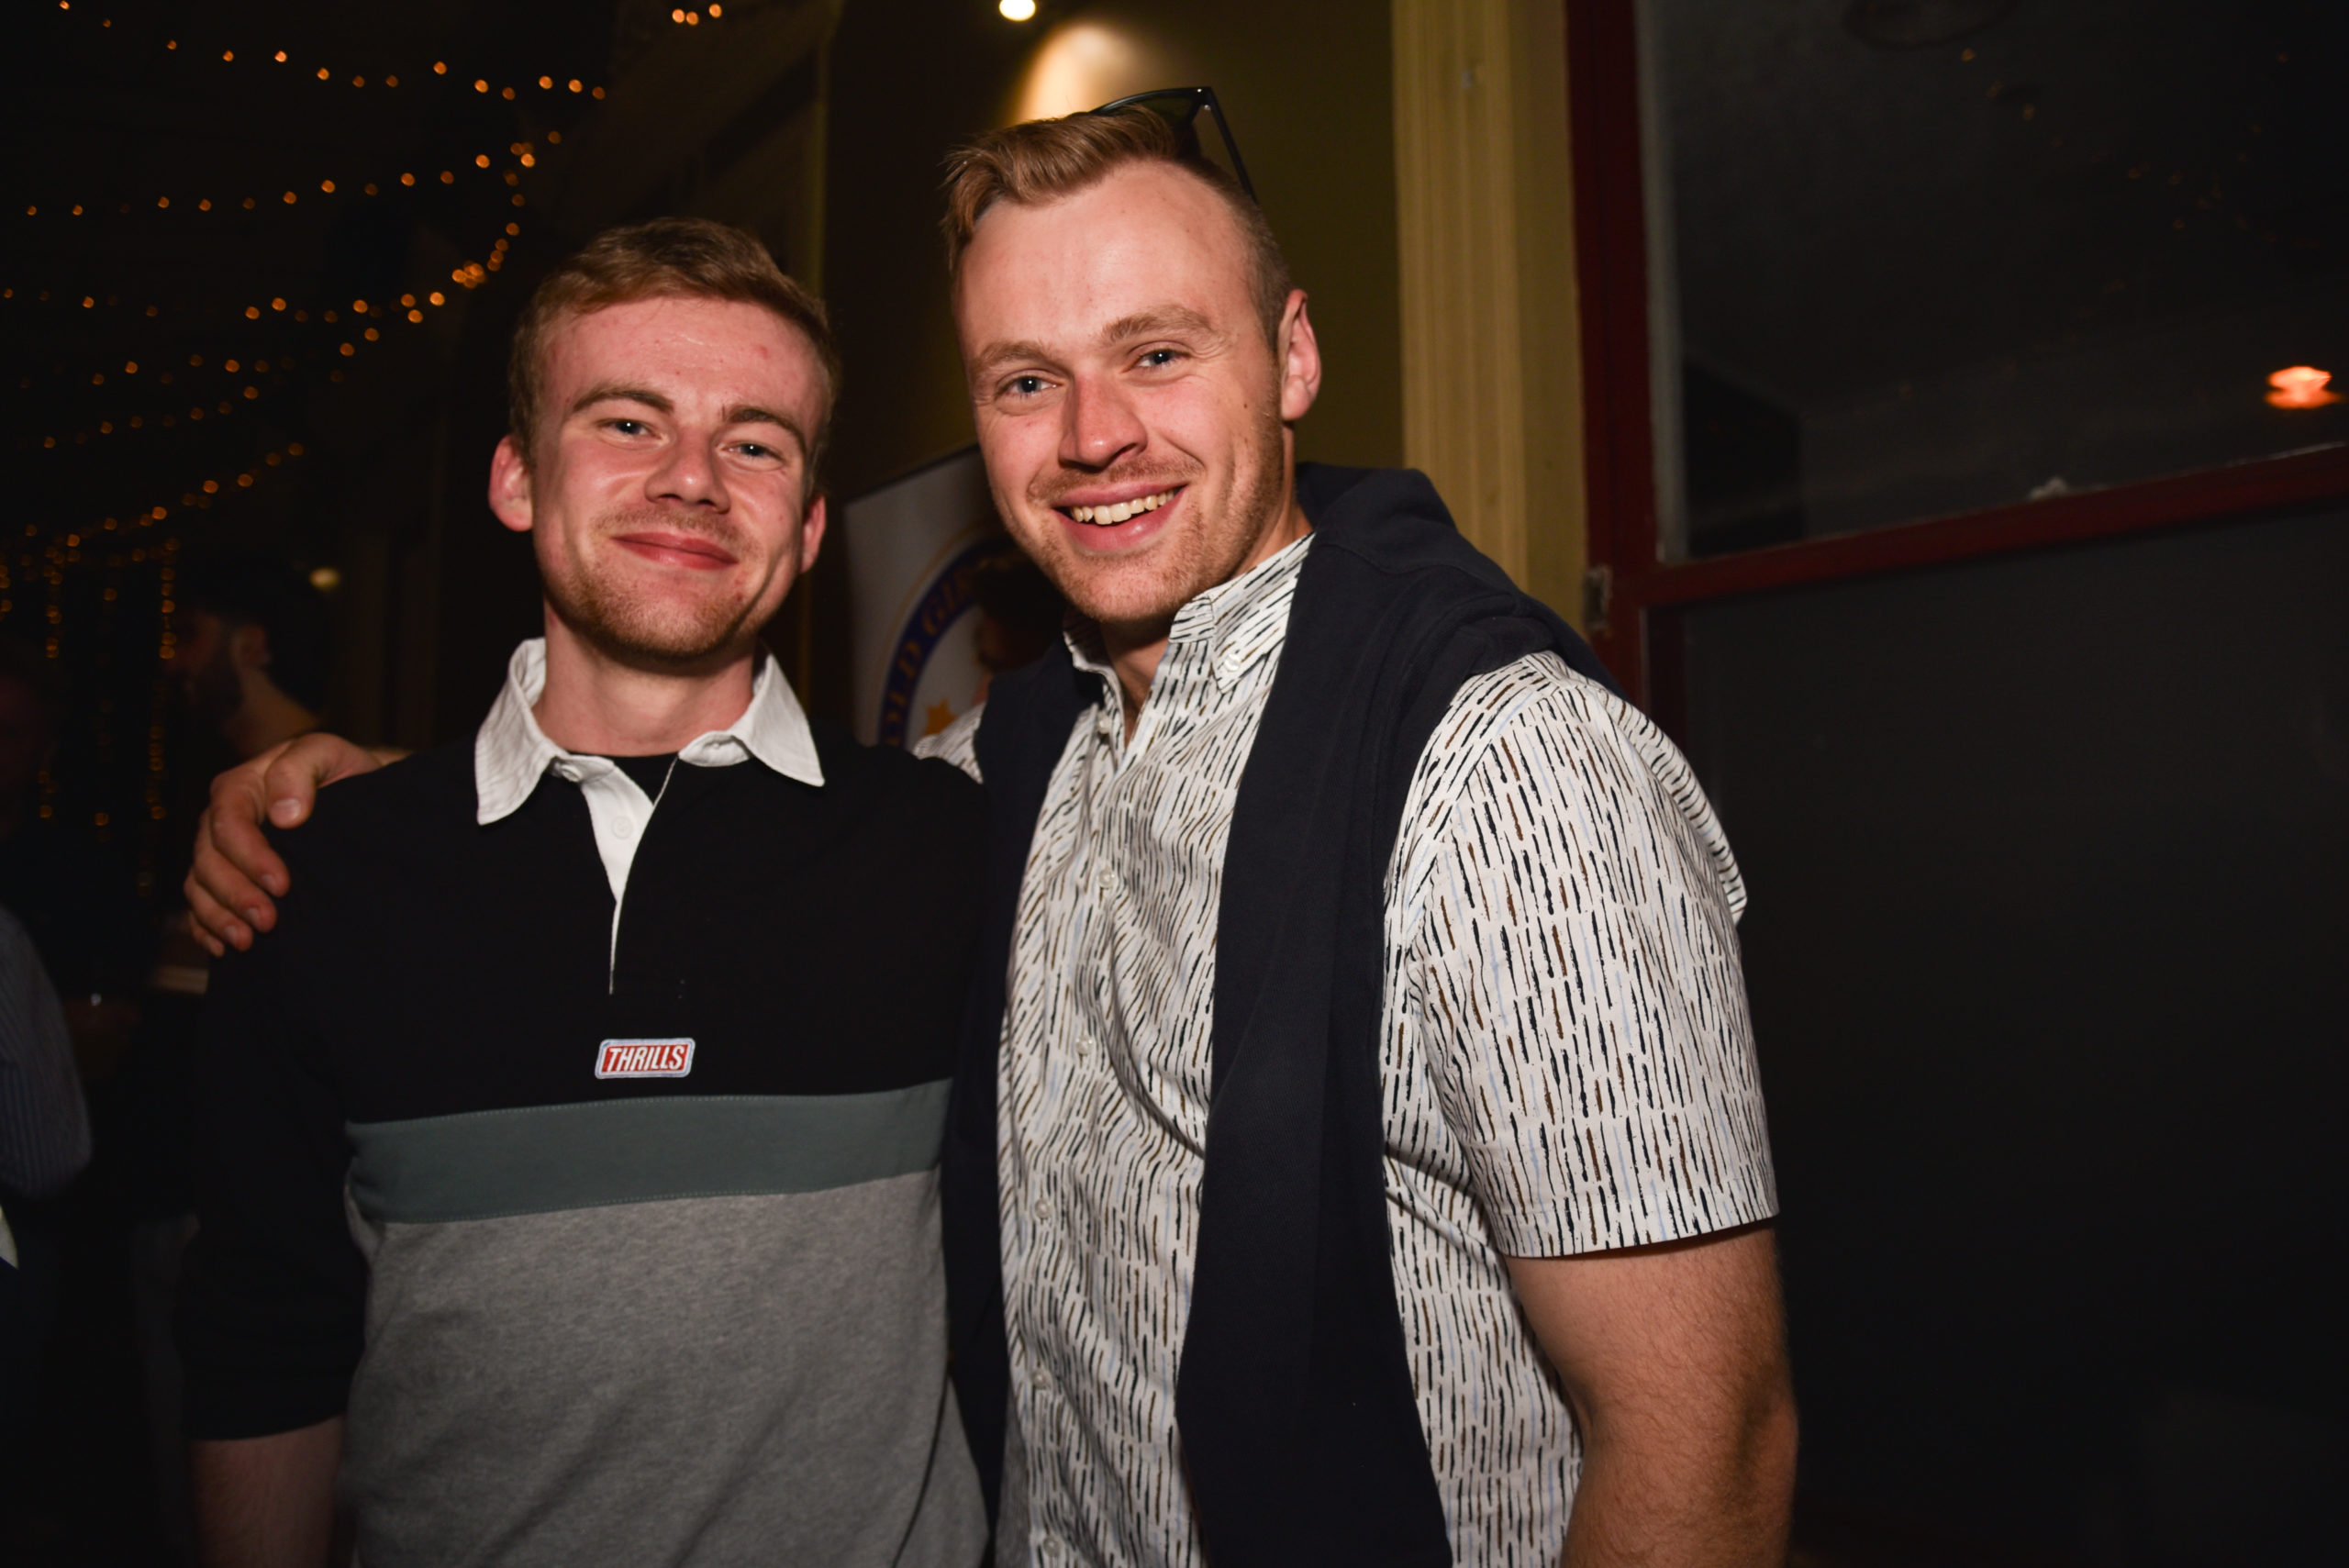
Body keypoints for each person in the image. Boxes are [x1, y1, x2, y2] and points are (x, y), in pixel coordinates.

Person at [190, 104, 1797, 1566]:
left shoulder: (1505, 767)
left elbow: (1706, 1447)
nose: (1093, 433)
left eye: (1155, 352)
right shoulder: (1008, 772)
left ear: (1293, 357)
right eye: (1027, 380)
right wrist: (370, 799)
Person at [175, 218, 988, 1568]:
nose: (692, 479)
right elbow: (265, 1350)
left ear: (807, 529)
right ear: (515, 478)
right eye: (627, 422)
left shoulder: (950, 850)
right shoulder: (317, 874)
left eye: (755, 444)